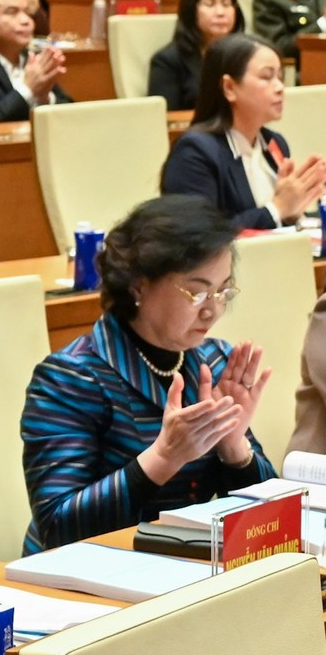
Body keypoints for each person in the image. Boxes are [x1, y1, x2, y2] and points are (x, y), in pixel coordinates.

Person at [20, 196, 272, 551]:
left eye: (223, 290)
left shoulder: (214, 363)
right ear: (138, 284)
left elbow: (269, 524)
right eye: (197, 293)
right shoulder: (71, 377)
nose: (213, 310)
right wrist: (162, 459)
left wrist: (235, 447)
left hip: (185, 568)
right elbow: (57, 526)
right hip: (88, 582)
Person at [160, 33, 326, 229]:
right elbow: (197, 237)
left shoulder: (275, 143)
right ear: (229, 88)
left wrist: (293, 210)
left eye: (280, 77)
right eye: (267, 77)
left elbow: (278, 225)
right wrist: (277, 208)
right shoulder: (194, 152)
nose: (280, 87)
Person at [147, 0, 242, 112]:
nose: (220, 12)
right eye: (210, 4)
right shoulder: (167, 61)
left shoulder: (248, 54)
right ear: (191, 10)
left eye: (226, 4)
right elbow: (165, 118)